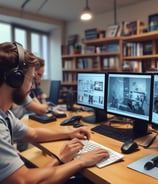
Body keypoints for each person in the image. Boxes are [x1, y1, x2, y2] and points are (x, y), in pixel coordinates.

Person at [0, 42, 109, 184]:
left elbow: (33, 134)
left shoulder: (5, 114)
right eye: (32, 78)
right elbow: (24, 181)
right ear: (16, 79)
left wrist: (69, 133)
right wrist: (78, 161)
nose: (33, 86)